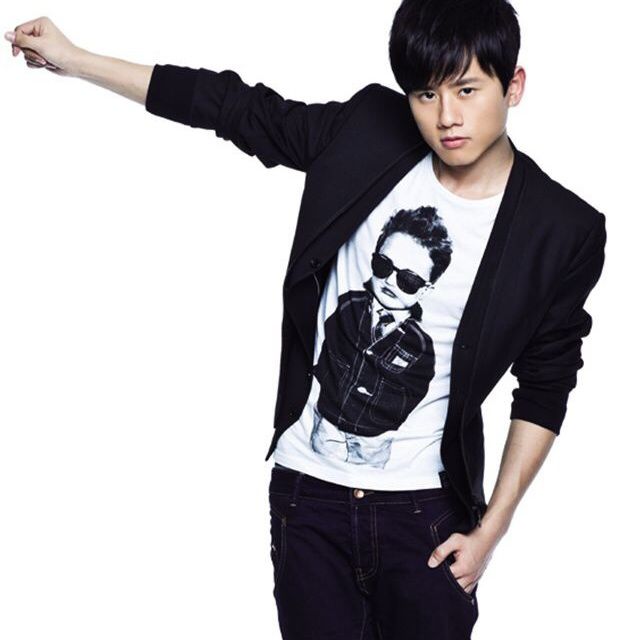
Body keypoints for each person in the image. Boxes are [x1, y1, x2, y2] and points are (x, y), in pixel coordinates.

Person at [4, 2, 608, 638]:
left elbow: (545, 386)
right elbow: (234, 108)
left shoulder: (561, 229)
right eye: (425, 94)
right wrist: (77, 61)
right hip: (308, 498)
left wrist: (493, 527)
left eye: (467, 90)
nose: (446, 118)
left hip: (428, 518)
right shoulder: (367, 131)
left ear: (513, 85)